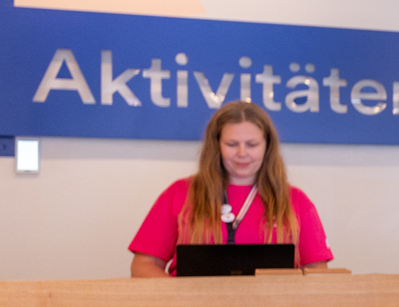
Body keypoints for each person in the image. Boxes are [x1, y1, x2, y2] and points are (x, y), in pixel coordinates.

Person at [129, 102, 333, 277]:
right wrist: (179, 298)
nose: (242, 153)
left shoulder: (295, 200)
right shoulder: (179, 193)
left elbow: (317, 272)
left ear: (267, 146)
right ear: (216, 145)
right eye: (232, 144)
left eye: (252, 144)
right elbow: (143, 265)